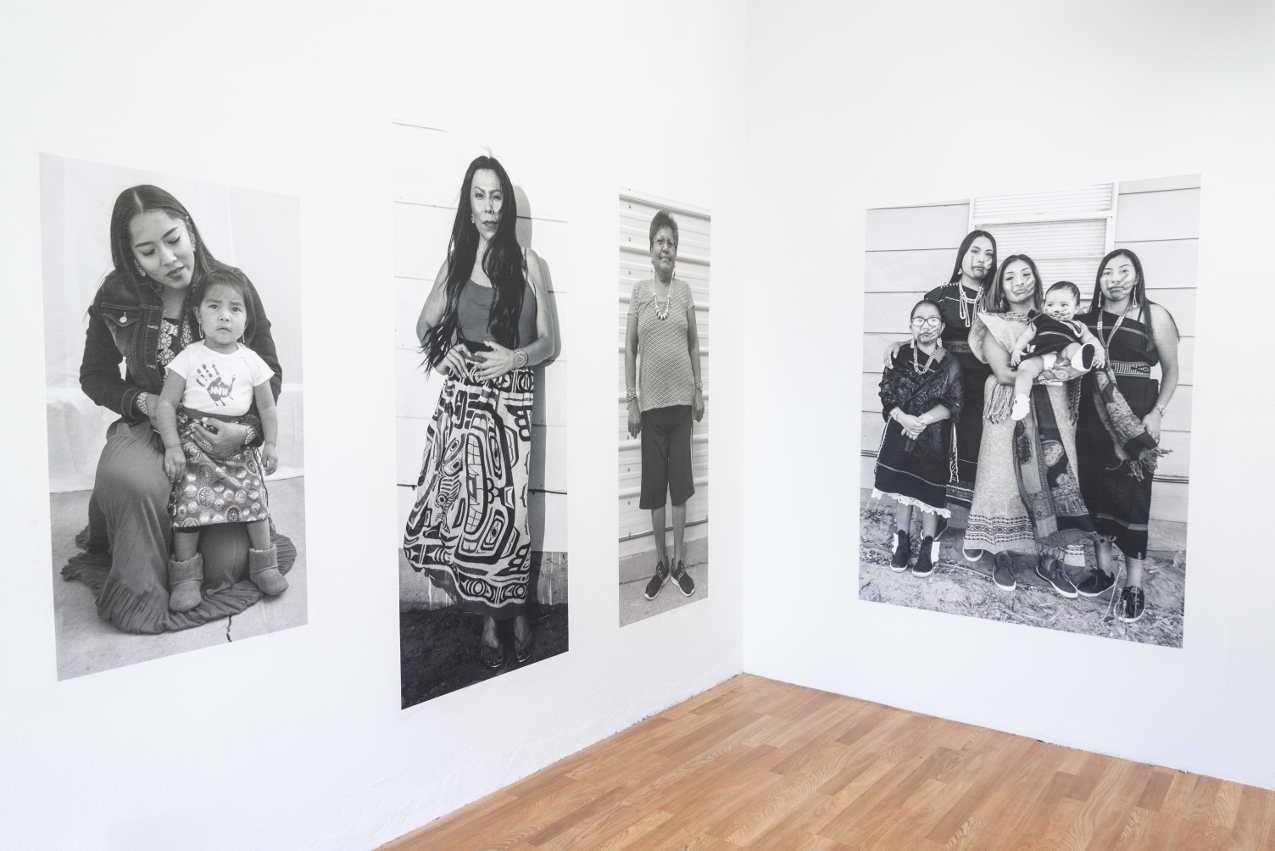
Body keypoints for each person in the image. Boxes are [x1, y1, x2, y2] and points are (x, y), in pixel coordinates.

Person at [62, 185, 293, 634]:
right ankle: (130, 548)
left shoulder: (231, 286)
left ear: (188, 227)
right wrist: (142, 402)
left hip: (220, 439)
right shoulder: (116, 295)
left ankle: (168, 538)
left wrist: (245, 434)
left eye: (172, 239)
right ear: (130, 256)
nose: (167, 258)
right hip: (152, 422)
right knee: (134, 484)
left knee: (227, 565)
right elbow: (95, 375)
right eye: (148, 251)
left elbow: (270, 375)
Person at [404, 155, 559, 670]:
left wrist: (515, 358)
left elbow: (550, 343)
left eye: (497, 197)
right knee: (473, 519)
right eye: (480, 196)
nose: (489, 207)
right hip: (465, 407)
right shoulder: (456, 262)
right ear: (468, 204)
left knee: (511, 520)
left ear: (506, 204)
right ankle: (492, 620)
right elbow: (423, 325)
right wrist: (441, 350)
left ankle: (516, 613)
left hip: (511, 411)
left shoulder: (529, 263)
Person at [154, 269, 285, 613]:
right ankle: (184, 579)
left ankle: (265, 566)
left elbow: (267, 408)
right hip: (195, 447)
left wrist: (269, 444)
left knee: (254, 500)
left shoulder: (251, 360)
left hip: (238, 448)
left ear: (246, 319)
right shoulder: (189, 357)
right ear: (198, 315)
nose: (225, 315)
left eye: (235, 309)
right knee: (188, 506)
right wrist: (172, 446)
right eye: (214, 306)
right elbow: (166, 404)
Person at [964, 255, 1095, 597]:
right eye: (1010, 277)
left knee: (1058, 476)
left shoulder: (1060, 317)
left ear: (1036, 279)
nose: (1019, 281)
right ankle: (1002, 554)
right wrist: (1051, 373)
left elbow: (1087, 359)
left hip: (1054, 406)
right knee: (1002, 477)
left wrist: (1073, 361)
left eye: (1026, 274)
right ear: (1001, 287)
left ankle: (1050, 561)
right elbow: (1004, 372)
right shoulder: (991, 322)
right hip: (1009, 404)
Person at [1071, 249, 1178, 623]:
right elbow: (1041, 334)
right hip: (1088, 416)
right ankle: (1103, 570)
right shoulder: (1084, 319)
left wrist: (1157, 413)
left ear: (1136, 277)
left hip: (1134, 418)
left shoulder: (1155, 315)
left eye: (1123, 271)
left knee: (1133, 498)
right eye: (1106, 272)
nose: (1113, 278)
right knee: (1094, 492)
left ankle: (1134, 584)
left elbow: (1171, 372)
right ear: (1099, 280)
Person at [884, 231, 996, 535]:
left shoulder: (997, 296)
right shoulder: (940, 294)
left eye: (989, 254)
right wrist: (898, 342)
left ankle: (975, 522)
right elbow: (923, 329)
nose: (982, 260)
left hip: (986, 383)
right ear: (962, 255)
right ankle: (936, 514)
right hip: (944, 381)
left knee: (975, 449)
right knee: (938, 446)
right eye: (975, 251)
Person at [625, 210, 705, 601]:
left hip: (680, 410)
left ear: (676, 250)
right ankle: (659, 563)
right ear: (650, 247)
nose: (666, 248)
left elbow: (692, 343)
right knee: (655, 491)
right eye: (660, 241)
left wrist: (699, 390)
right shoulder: (639, 293)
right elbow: (630, 348)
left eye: (671, 243)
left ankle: (678, 565)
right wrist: (631, 401)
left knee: (680, 490)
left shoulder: (685, 292)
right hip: (651, 410)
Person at [872, 300, 963, 578]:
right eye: (919, 320)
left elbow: (953, 403)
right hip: (900, 431)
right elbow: (887, 392)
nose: (926, 325)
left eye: (933, 320)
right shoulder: (898, 357)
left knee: (928, 494)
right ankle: (901, 542)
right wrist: (904, 419)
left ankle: (927, 546)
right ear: (911, 325)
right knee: (902, 490)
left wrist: (921, 422)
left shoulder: (951, 362)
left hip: (934, 436)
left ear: (942, 326)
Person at [1007, 281, 1104, 421]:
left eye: (1064, 305)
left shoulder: (1077, 325)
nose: (1056, 310)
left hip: (1063, 354)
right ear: (1044, 306)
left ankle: (1080, 361)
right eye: (1050, 305)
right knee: (1024, 368)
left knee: (1076, 348)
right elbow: (1027, 335)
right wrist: (1017, 349)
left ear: (1076, 308)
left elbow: (1090, 338)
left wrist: (1099, 351)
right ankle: (1021, 401)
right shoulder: (1040, 319)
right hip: (1040, 355)